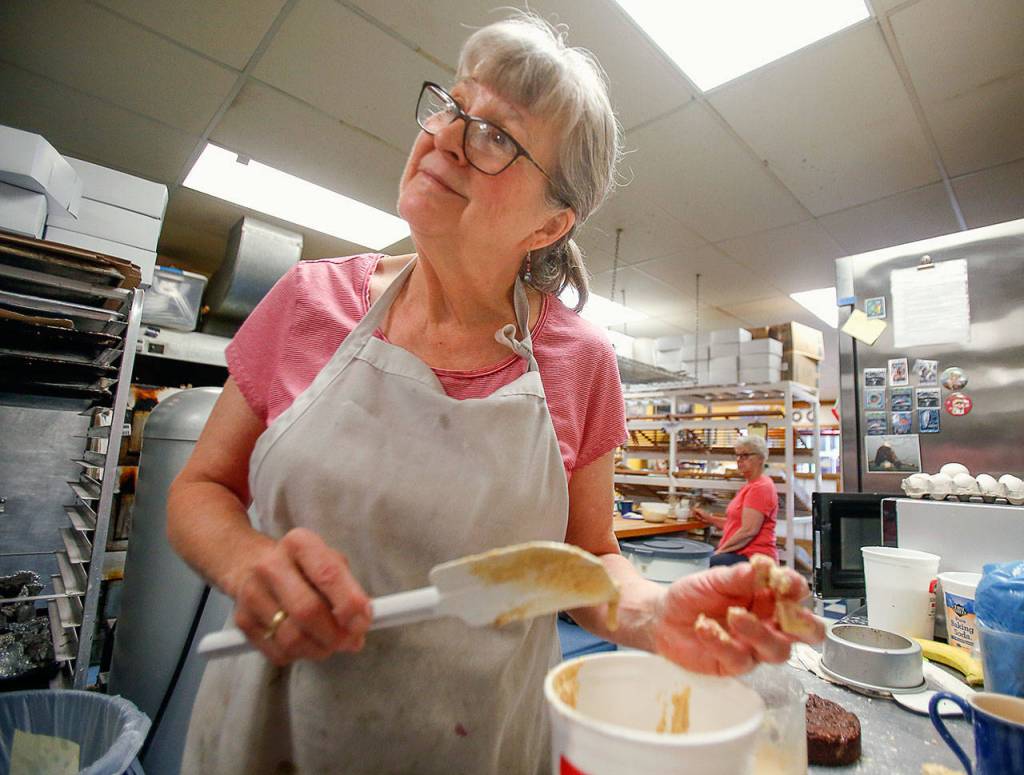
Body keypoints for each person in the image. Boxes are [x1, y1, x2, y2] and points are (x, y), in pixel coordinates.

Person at [167, 13, 822, 774]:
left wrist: (649, 613)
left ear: (551, 224)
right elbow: (201, 486)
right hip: (270, 735)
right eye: (451, 104)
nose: (446, 134)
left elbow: (590, 559)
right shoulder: (307, 301)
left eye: (497, 135)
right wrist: (249, 563)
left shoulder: (579, 362)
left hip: (478, 745)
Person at [692, 436, 779, 567]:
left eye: (745, 455)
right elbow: (735, 524)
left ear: (760, 458)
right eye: (737, 456)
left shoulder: (761, 487)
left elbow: (748, 531)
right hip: (739, 554)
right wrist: (709, 518)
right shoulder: (749, 486)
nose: (739, 460)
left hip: (754, 558)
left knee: (700, 566)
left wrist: (719, 551)